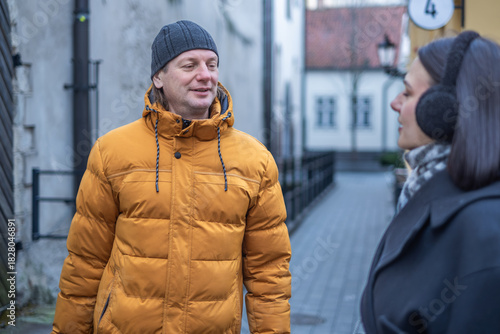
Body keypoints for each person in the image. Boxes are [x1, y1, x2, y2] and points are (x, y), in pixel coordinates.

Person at [52, 20, 291, 334]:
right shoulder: (112, 152)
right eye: (189, 65)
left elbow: (269, 272)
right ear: (158, 77)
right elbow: (85, 262)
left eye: (212, 64)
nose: (205, 75)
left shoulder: (255, 161)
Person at [360, 30, 500, 333]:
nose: (395, 103)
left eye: (407, 93)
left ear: (443, 109)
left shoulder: (484, 230)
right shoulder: (424, 191)